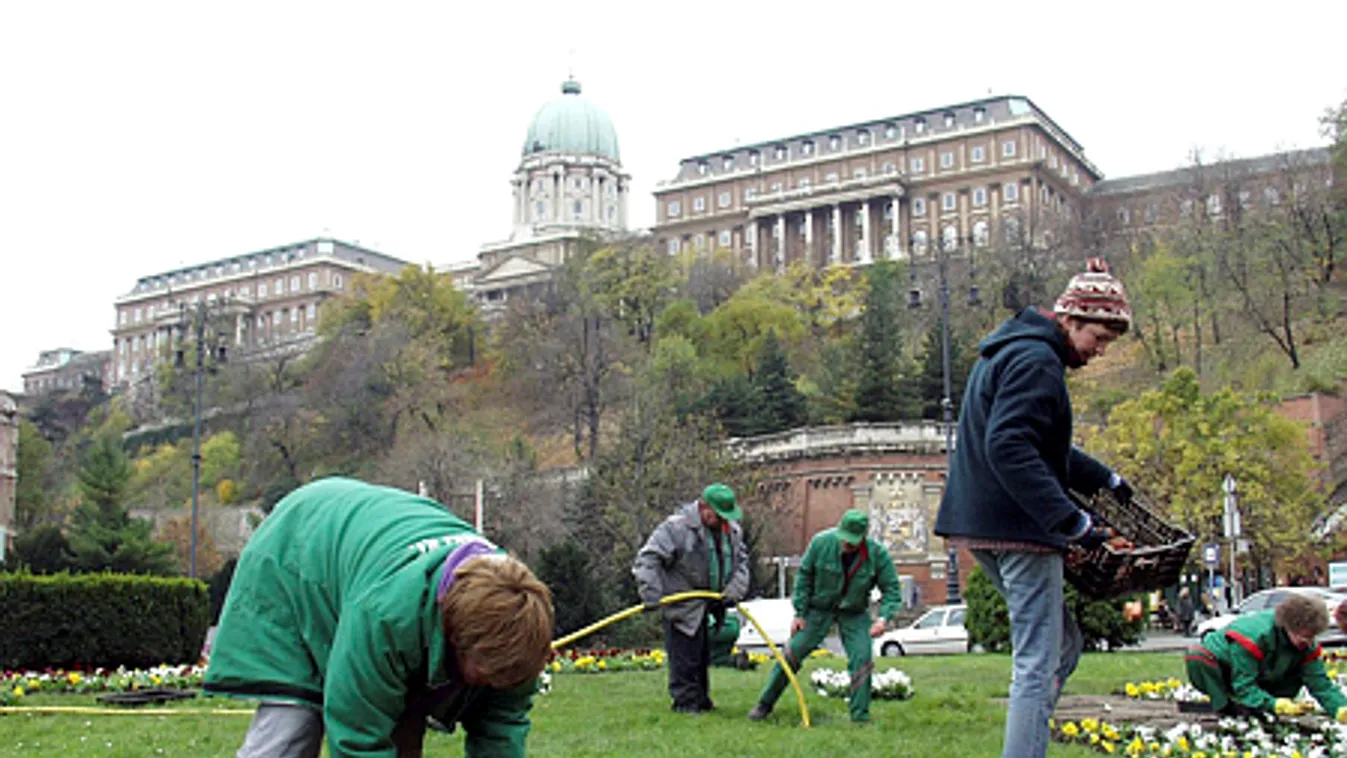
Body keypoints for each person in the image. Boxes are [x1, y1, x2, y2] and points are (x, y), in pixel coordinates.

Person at [933, 258, 1135, 758]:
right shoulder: (1038, 362)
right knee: (1038, 663)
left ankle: (1030, 736)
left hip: (981, 523)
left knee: (1062, 645)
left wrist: (1103, 477)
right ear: (1070, 318)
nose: (1099, 351)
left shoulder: (1011, 352)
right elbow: (1010, 448)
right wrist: (1071, 521)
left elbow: (1036, 445)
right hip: (1020, 529)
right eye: (1098, 338)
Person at [204, 477, 555, 758]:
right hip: (296, 554)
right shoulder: (388, 617)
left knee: (403, 727)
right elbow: (358, 737)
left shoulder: (521, 631)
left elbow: (499, 732)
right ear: (456, 636)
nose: (493, 685)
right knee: (293, 727)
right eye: (486, 673)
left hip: (367, 559)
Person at [747, 509, 902, 724]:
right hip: (818, 609)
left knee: (862, 658)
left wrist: (883, 618)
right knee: (792, 652)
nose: (847, 545)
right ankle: (764, 704)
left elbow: (892, 589)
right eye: (845, 540)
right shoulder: (820, 543)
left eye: (853, 542)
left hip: (854, 611)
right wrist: (800, 613)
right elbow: (804, 577)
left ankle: (860, 716)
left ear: (863, 538)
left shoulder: (877, 555)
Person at [632, 483, 749, 714]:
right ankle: (685, 704)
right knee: (684, 656)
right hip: (681, 604)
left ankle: (702, 701)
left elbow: (742, 563)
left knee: (702, 653)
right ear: (704, 507)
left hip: (711, 602)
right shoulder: (675, 528)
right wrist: (651, 594)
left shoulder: (732, 532)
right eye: (718, 516)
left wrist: (732, 592)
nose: (724, 522)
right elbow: (647, 560)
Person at [1186, 593, 1347, 720]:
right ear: (1289, 626)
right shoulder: (1254, 636)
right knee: (1197, 657)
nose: (1309, 642)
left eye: (1312, 637)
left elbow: (1321, 685)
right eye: (1304, 637)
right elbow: (1243, 685)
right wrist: (1274, 704)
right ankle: (1225, 707)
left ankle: (1258, 709)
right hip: (1223, 668)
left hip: (1264, 674)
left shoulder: (1306, 645)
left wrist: (1340, 708)